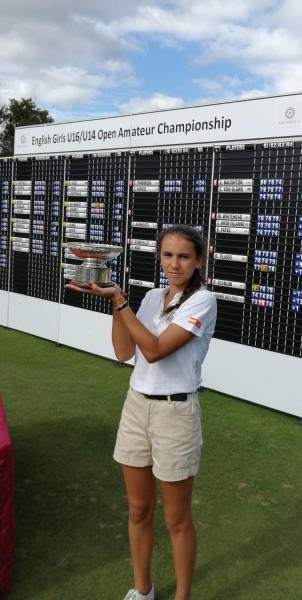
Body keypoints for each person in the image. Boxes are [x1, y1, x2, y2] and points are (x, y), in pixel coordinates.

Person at [67, 224, 217, 600]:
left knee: (175, 519)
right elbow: (124, 353)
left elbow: (154, 350)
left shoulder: (203, 301)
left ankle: (182, 596)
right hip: (136, 406)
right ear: (159, 257)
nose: (175, 264)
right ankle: (142, 589)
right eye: (168, 255)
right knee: (137, 509)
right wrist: (116, 305)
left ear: (198, 260)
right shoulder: (151, 298)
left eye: (184, 256)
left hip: (175, 413)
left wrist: (120, 302)